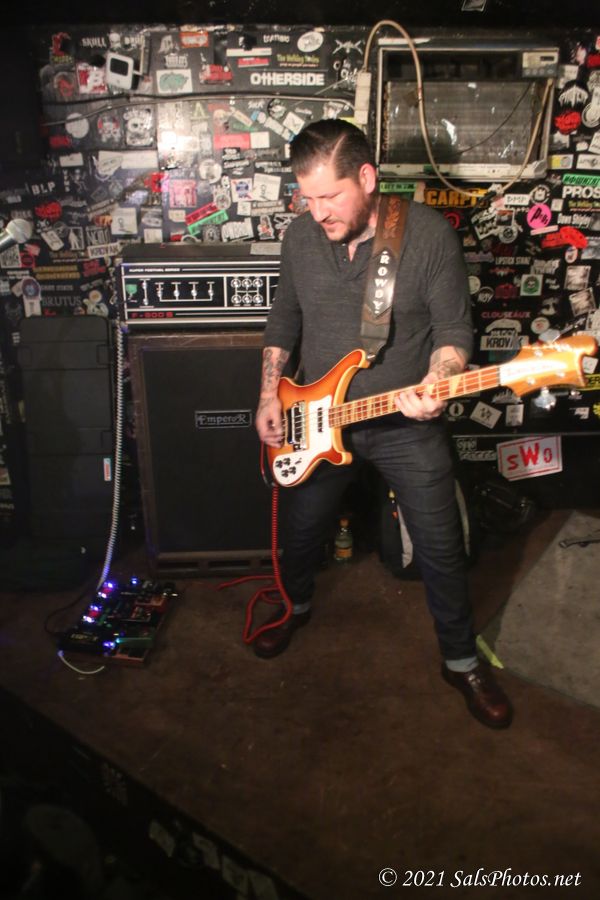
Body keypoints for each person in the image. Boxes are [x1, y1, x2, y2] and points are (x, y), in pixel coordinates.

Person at [254, 118, 512, 730]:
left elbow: (453, 330)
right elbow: (284, 318)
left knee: (441, 545)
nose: (318, 212)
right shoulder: (300, 237)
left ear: (367, 178)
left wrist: (440, 379)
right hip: (316, 420)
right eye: (307, 197)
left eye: (330, 196)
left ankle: (460, 661)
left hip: (403, 421)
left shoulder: (426, 236)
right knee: (300, 532)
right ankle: (296, 607)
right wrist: (269, 393)